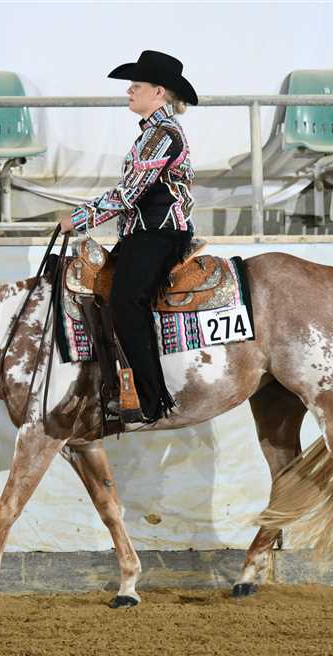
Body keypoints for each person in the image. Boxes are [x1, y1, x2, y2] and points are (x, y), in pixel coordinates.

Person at [60, 50, 197, 424]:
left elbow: (128, 195)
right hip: (144, 232)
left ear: (159, 92)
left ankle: (150, 400)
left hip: (159, 233)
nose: (129, 91)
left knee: (126, 301)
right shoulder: (153, 133)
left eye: (137, 85)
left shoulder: (161, 135)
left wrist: (79, 218)